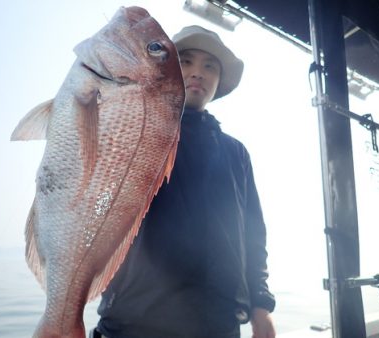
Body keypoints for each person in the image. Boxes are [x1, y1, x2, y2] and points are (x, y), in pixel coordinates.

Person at [93, 25, 276, 338]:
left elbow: (252, 235)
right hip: (131, 322)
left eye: (210, 66)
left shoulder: (235, 152)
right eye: (185, 61)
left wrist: (261, 307)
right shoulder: (136, 131)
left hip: (217, 324)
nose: (197, 73)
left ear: (219, 81)